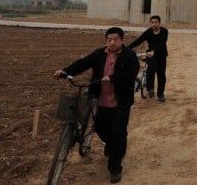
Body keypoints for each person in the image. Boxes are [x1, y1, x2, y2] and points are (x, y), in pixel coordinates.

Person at [53, 27, 139, 184]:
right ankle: (111, 145)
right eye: (109, 39)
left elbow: (131, 74)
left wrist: (113, 78)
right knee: (100, 127)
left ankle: (114, 168)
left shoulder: (129, 56)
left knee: (118, 134)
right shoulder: (100, 54)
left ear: (122, 40)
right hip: (101, 101)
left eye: (115, 39)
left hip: (120, 102)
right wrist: (65, 72)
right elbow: (83, 63)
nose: (112, 42)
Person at [129, 15, 169, 102]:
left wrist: (154, 51)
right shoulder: (148, 32)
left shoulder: (164, 31)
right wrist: (127, 48)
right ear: (151, 23)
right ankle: (150, 88)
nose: (154, 24)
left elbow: (162, 43)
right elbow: (139, 40)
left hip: (161, 55)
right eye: (152, 22)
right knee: (151, 67)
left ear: (159, 23)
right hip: (150, 55)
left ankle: (160, 94)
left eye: (156, 22)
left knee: (161, 75)